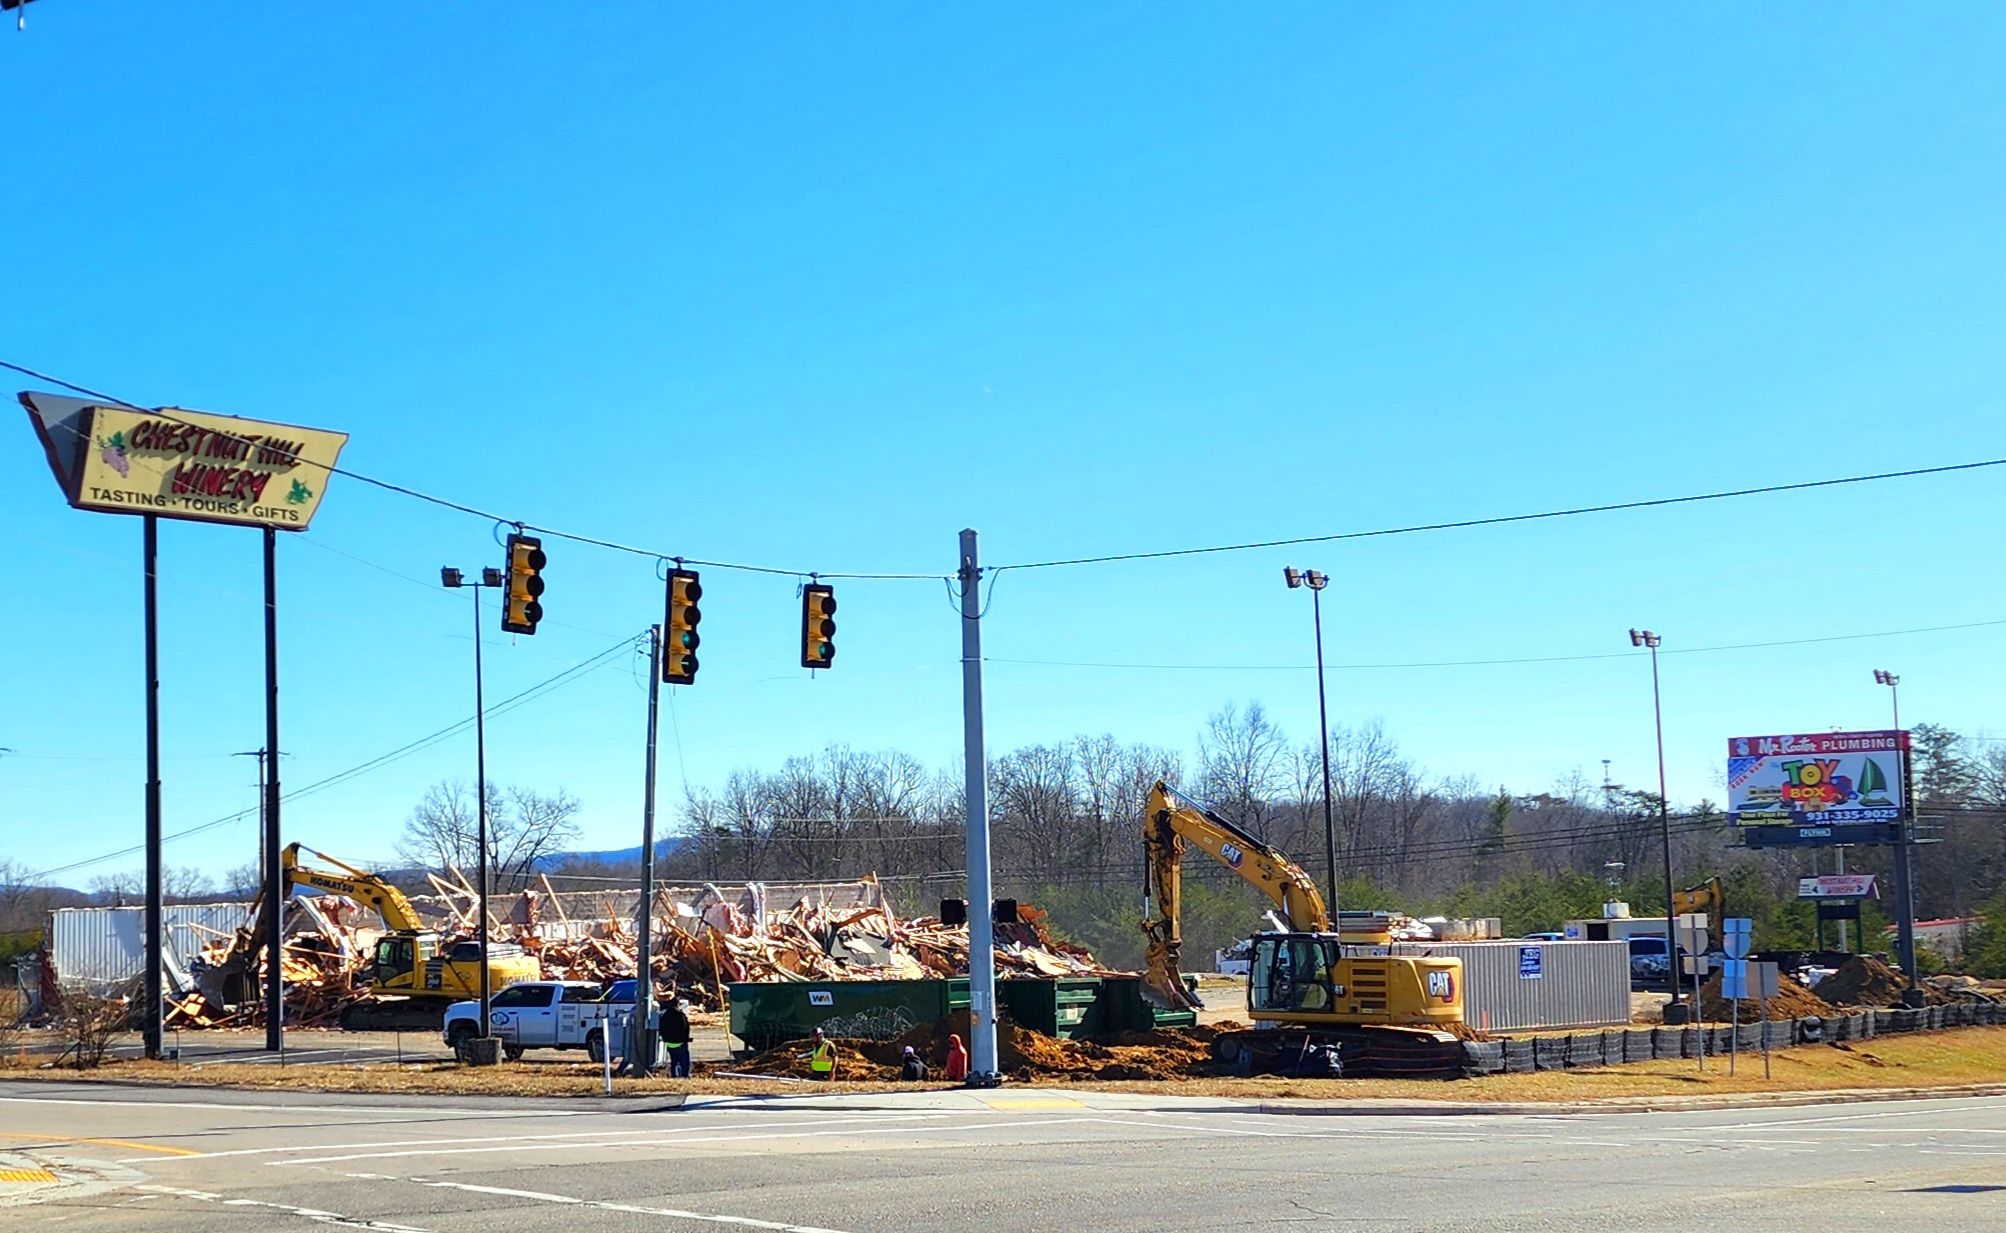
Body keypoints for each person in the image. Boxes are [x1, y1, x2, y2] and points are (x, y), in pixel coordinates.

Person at [657, 995, 692, 1078]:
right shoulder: (680, 1015)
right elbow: (685, 1028)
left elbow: (661, 1029)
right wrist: (686, 1039)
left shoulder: (664, 1015)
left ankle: (674, 1075)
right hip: (680, 1042)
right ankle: (684, 1075)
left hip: (669, 1042)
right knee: (684, 1061)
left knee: (674, 1061)